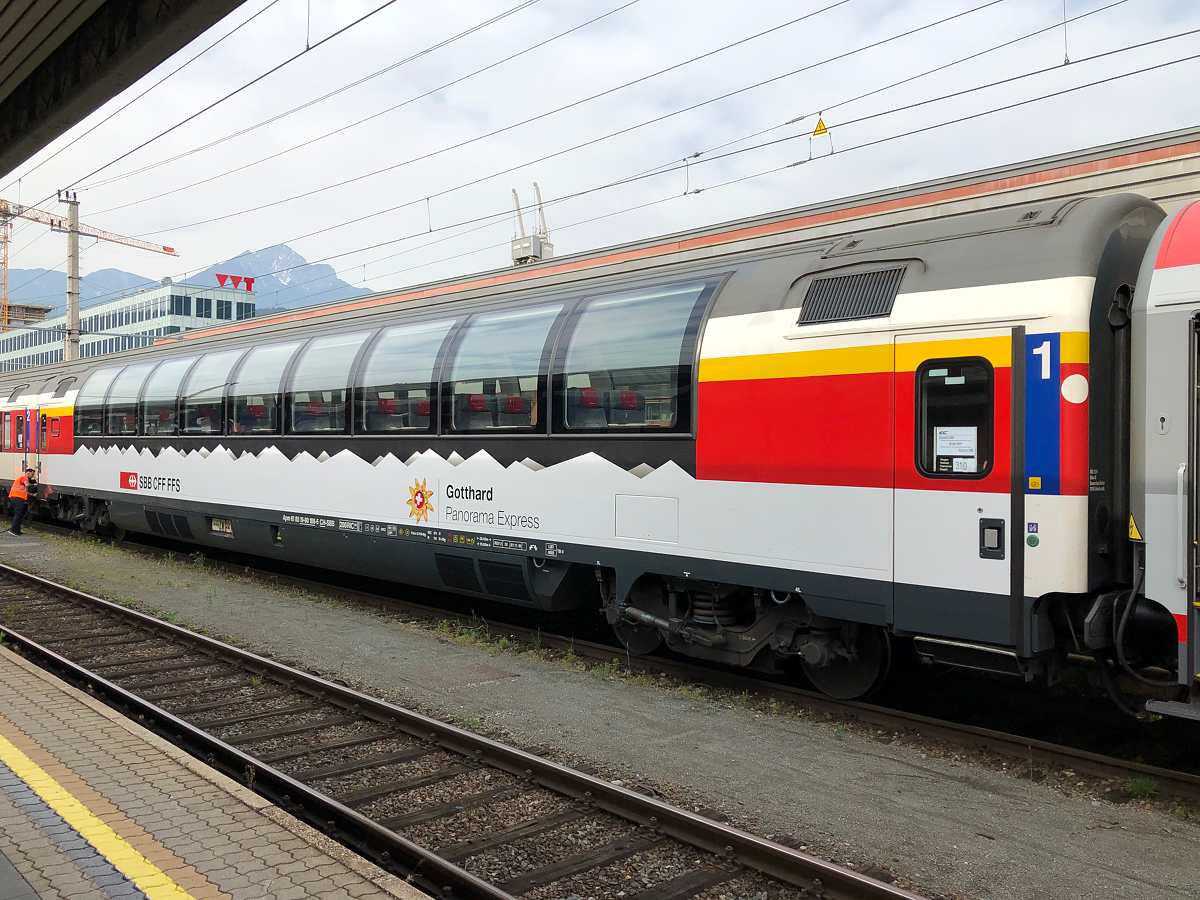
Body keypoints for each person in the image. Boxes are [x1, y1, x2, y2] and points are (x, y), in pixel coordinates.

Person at [8, 467, 36, 536]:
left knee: (18, 514)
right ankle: (13, 530)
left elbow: (25, 492)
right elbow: (26, 484)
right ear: (28, 473)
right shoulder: (24, 477)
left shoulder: (21, 479)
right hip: (18, 498)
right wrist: (34, 485)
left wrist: (33, 495)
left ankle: (17, 530)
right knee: (18, 514)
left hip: (15, 498)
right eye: (32, 475)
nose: (32, 477)